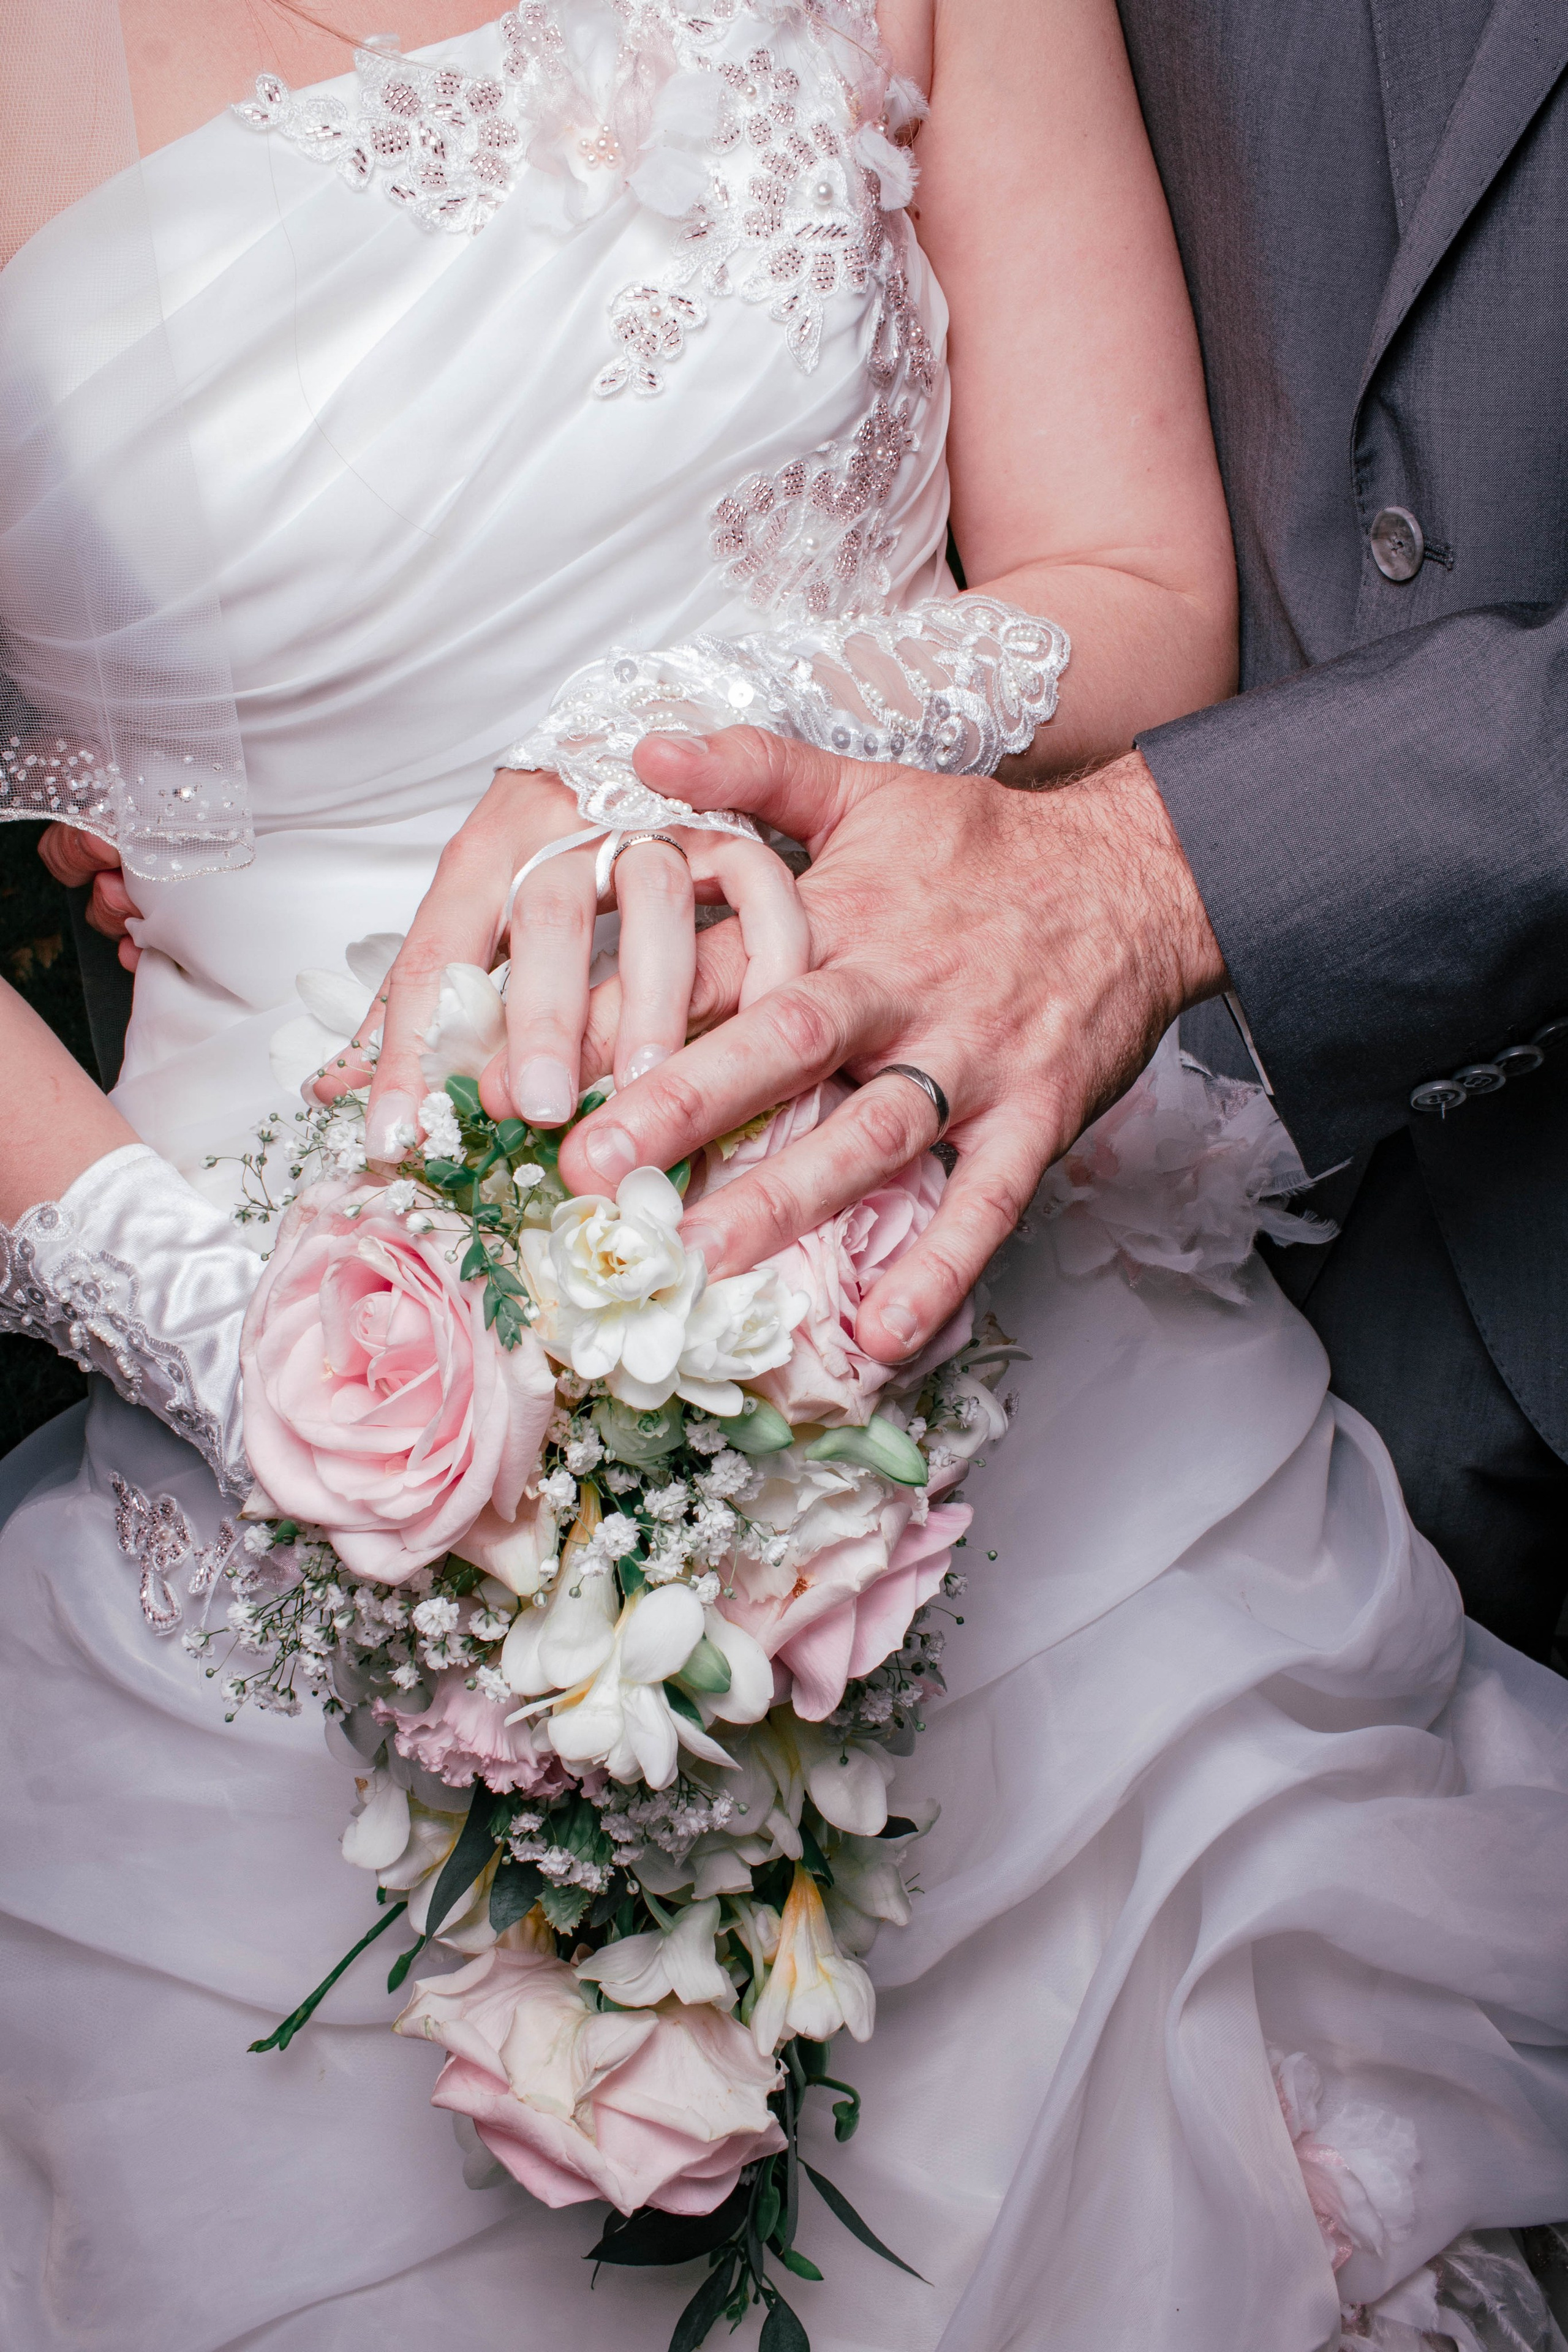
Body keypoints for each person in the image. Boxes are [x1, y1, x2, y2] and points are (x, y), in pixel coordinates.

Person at [1, 7, 1565, 2352]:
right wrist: (239, 1343)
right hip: (258, 1413)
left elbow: (1139, 579)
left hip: (991, 1324)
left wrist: (678, 732)